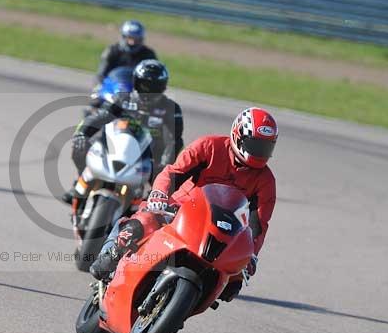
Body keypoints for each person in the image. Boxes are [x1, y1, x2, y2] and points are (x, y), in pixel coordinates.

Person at [90, 107, 278, 303]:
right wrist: (159, 194)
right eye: (255, 145)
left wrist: (252, 256)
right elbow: (173, 173)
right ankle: (112, 252)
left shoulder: (266, 180)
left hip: (221, 228)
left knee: (233, 282)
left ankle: (185, 304)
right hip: (180, 208)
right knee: (143, 221)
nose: (260, 152)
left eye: (266, 147)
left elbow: (258, 225)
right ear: (238, 135)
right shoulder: (209, 146)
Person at [63, 59, 183, 204]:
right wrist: (82, 133)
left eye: (154, 88)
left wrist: (165, 165)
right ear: (136, 83)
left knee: (166, 178)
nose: (148, 92)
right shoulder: (122, 98)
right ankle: (81, 180)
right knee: (80, 146)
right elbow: (99, 117)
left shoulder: (170, 108)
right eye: (145, 86)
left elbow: (173, 142)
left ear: (163, 88)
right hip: (114, 148)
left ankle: (150, 202)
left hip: (148, 158)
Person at [95, 20, 157, 85]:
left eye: (136, 39)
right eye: (130, 38)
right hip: (113, 88)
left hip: (137, 90)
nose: (132, 42)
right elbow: (101, 75)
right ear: (123, 37)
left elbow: (153, 77)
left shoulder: (148, 54)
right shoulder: (112, 51)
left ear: (141, 39)